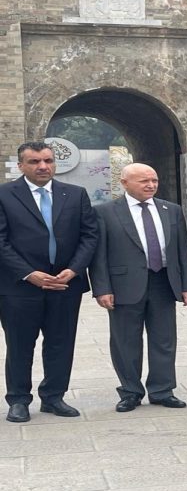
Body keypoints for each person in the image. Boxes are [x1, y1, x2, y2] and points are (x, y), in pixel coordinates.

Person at [0, 141, 98, 422]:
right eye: (34, 162)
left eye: (48, 160)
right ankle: (19, 399)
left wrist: (74, 269)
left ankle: (54, 397)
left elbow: (90, 235)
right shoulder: (5, 195)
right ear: (21, 165)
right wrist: (28, 273)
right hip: (19, 287)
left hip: (65, 284)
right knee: (20, 344)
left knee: (60, 343)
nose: (43, 166)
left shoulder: (76, 194)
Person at [90, 163, 187, 412]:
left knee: (164, 339)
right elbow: (98, 255)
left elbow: (183, 250)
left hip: (163, 281)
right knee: (125, 340)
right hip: (124, 284)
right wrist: (102, 288)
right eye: (144, 181)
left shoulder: (171, 210)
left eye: (154, 180)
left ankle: (162, 390)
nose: (151, 185)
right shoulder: (105, 212)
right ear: (124, 183)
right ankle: (130, 391)